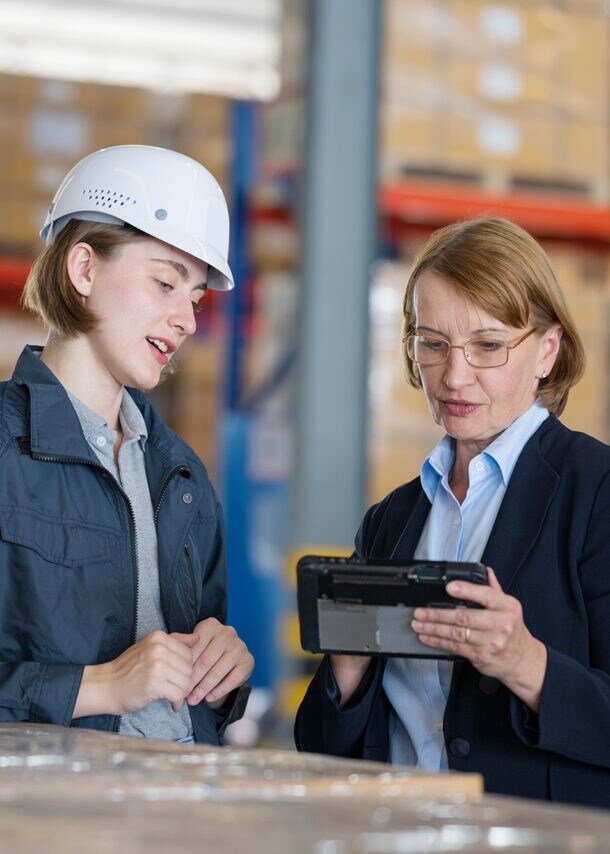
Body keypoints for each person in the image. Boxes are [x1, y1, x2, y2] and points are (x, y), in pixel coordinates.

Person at [295, 216, 610, 808]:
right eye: (433, 344)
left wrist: (527, 664)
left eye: (488, 346)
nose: (454, 375)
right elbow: (321, 747)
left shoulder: (596, 494)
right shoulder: (390, 521)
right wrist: (347, 669)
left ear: (547, 349)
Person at [0, 144, 254, 744]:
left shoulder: (180, 475)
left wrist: (223, 672)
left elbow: (187, 691)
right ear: (84, 269)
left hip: (175, 810)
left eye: (194, 298)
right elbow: (124, 684)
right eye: (165, 282)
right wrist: (101, 687)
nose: (188, 320)